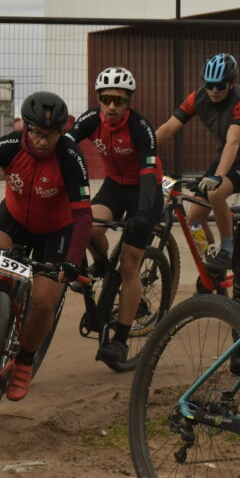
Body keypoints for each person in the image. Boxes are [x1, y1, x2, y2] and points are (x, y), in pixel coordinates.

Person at [0, 91, 92, 401]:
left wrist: (73, 260)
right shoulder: (8, 145)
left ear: (60, 132)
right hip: (13, 219)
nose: (43, 141)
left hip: (56, 231)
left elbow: (83, 216)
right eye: (37, 133)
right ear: (26, 127)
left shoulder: (70, 156)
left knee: (44, 299)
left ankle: (25, 361)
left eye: (51, 134)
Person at [67, 67, 163, 366]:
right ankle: (101, 266)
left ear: (128, 102)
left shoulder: (140, 128)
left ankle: (120, 340)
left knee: (130, 265)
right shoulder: (90, 119)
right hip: (114, 186)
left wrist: (143, 214)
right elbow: (64, 147)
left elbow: (149, 174)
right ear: (98, 98)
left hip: (144, 191)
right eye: (106, 99)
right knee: (89, 227)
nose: (111, 106)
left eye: (118, 101)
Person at [154, 53, 240, 275]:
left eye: (220, 86)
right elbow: (169, 128)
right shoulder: (197, 97)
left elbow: (233, 142)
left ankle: (228, 250)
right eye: (209, 85)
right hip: (224, 157)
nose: (214, 91)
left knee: (216, 193)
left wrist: (217, 177)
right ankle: (213, 267)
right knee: (195, 218)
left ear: (232, 84)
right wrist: (144, 151)